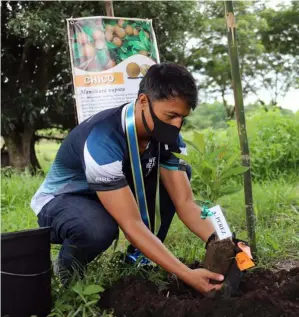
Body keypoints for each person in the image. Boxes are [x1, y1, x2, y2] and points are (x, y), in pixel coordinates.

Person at [30, 62, 224, 294]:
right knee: (98, 228)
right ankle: (68, 266)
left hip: (114, 193)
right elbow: (130, 223)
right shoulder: (102, 139)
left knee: (176, 179)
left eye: (182, 118)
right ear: (143, 101)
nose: (177, 125)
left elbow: (185, 203)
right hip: (63, 202)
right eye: (171, 115)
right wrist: (186, 274)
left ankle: (139, 257)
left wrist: (221, 241)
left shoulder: (168, 137)